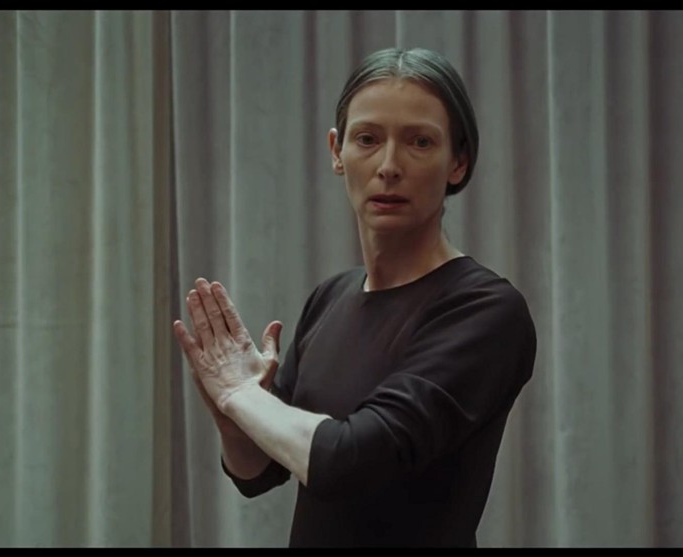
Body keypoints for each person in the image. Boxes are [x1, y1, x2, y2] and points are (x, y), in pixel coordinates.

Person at [172, 46, 537, 548]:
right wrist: (232, 414)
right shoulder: (330, 297)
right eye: (367, 139)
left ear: (458, 161)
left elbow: (349, 462)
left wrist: (242, 396)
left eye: (420, 142)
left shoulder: (485, 310)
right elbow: (258, 473)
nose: (388, 166)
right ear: (336, 152)